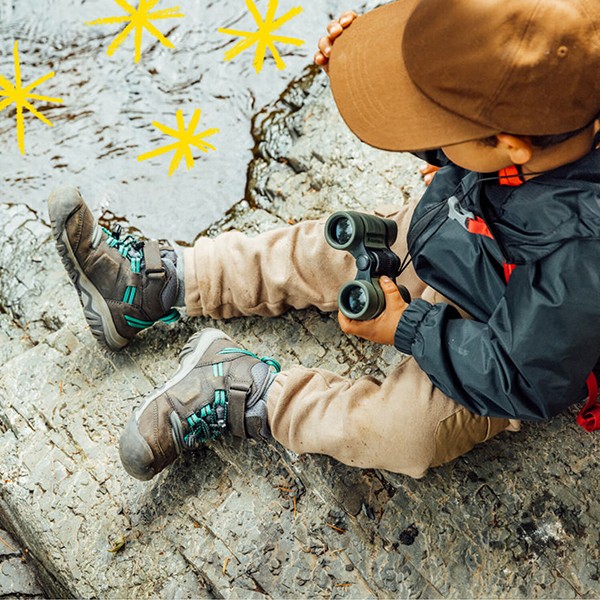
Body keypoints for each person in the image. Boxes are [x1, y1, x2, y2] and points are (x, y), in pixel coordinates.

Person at [48, 0, 600, 482]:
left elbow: (523, 375)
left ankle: (249, 390)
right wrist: (382, 71)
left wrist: (406, 327)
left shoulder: (581, 256)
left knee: (406, 433)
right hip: (466, 235)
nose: (425, 132)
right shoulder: (567, 77)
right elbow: (471, 138)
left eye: (432, 124)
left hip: (512, 341)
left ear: (511, 144)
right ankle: (163, 284)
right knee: (329, 250)